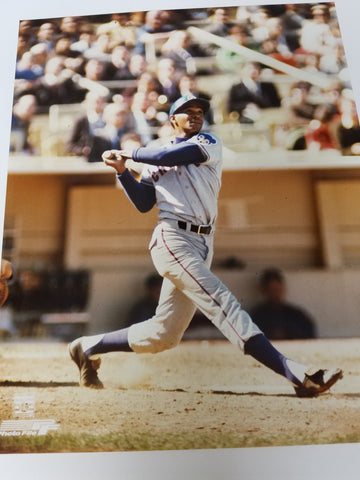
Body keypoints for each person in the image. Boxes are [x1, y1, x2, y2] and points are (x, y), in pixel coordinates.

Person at [69, 95, 342, 398]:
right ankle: (297, 375)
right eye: (187, 112)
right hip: (173, 239)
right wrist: (123, 171)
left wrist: (129, 154)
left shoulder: (206, 141)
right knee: (222, 302)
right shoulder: (154, 154)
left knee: (164, 335)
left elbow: (171, 157)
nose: (196, 115)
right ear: (173, 120)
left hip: (203, 242)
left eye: (199, 111)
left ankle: (87, 346)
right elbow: (145, 203)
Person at [250, 268, 316, 340]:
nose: (275, 294)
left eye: (277, 289)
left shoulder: (298, 315)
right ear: (264, 291)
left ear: (283, 289)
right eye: (271, 290)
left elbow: (310, 339)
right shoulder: (257, 316)